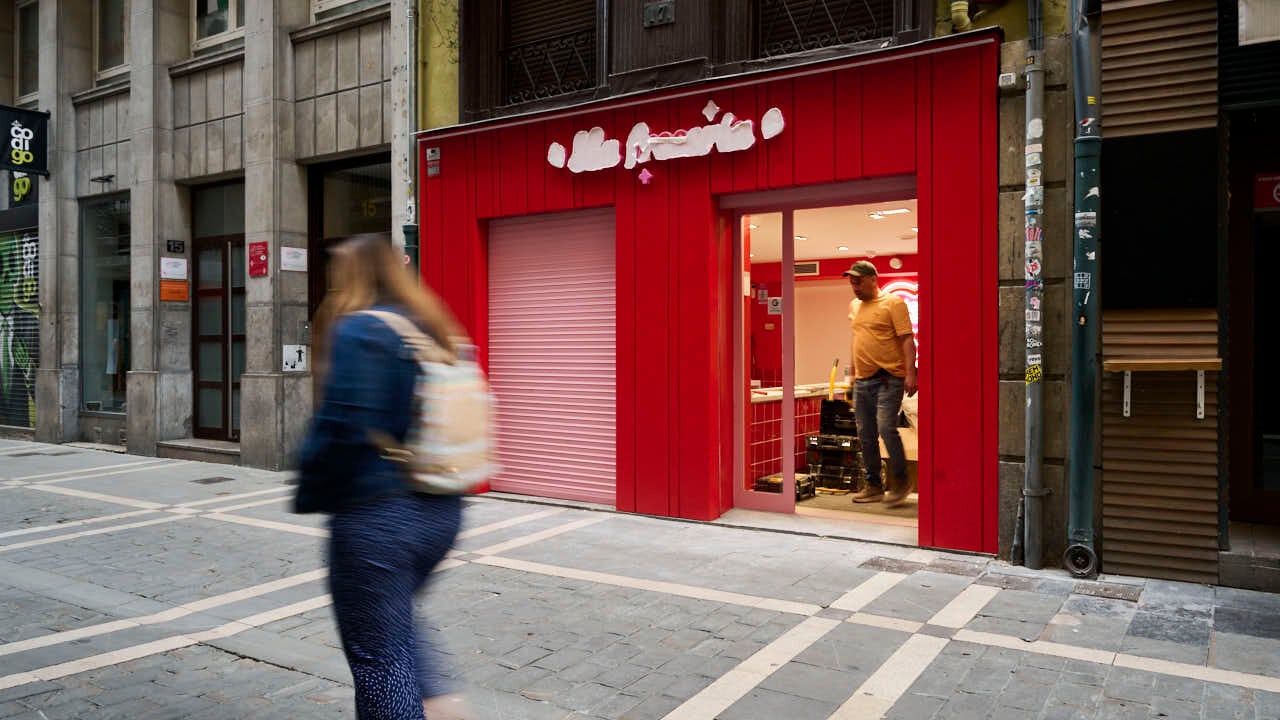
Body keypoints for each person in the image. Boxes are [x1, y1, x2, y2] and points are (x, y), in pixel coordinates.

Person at [295, 233, 469, 720]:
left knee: (380, 661)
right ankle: (447, 709)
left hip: (378, 518)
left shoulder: (359, 330)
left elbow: (340, 425)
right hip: (441, 507)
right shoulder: (429, 324)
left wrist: (308, 478)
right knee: (395, 625)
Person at [844, 260, 917, 508]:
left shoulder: (893, 304)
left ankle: (901, 481)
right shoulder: (854, 306)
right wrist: (851, 377)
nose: (854, 286)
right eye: (851, 281)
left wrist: (911, 373)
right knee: (865, 435)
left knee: (886, 428)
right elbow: (856, 341)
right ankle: (873, 485)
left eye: (858, 280)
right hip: (863, 381)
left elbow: (907, 340)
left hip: (889, 378)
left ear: (873, 279)